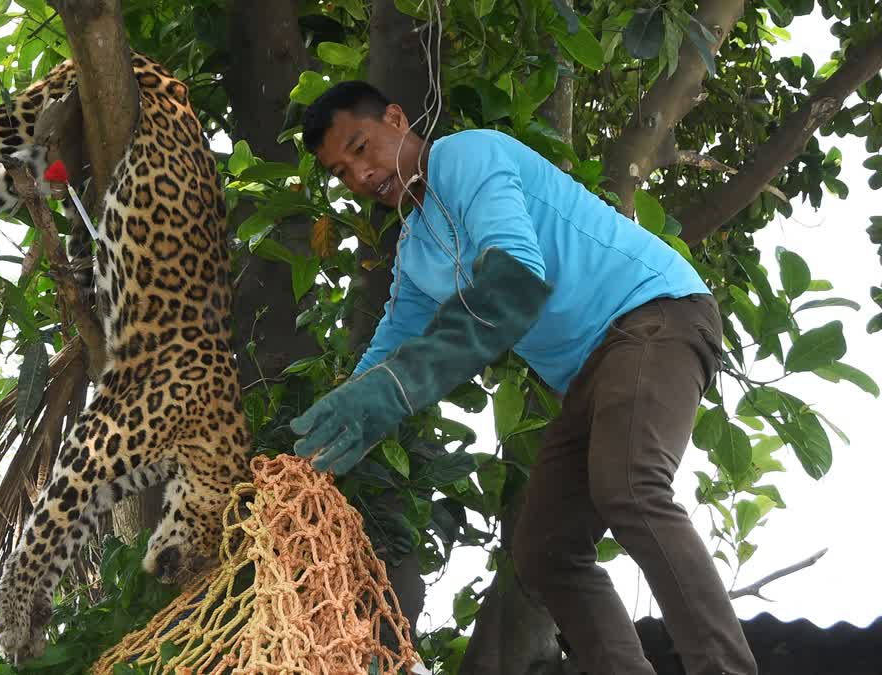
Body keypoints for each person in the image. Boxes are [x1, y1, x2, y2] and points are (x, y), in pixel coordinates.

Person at [289, 80, 758, 675]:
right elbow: (386, 353)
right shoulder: (414, 249)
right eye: (341, 171)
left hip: (654, 316)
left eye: (361, 148)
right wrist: (328, 432)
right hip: (589, 376)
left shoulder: (465, 155)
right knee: (544, 549)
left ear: (397, 117)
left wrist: (396, 388)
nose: (359, 175)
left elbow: (514, 279)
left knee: (631, 487)